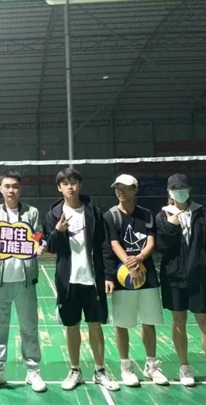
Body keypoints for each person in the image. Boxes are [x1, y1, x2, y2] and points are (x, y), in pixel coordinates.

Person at [44, 167, 119, 392]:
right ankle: (75, 370)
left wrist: (108, 275)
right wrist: (58, 231)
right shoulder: (53, 215)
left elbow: (104, 245)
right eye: (65, 183)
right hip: (68, 281)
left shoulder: (94, 212)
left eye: (73, 182)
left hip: (92, 279)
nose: (70, 187)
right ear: (59, 188)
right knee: (72, 326)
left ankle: (100, 370)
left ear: (80, 185)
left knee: (95, 325)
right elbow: (50, 247)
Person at [155, 174, 206, 388]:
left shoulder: (204, 214)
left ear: (189, 189)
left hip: (198, 277)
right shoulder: (162, 216)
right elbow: (161, 247)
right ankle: (185, 366)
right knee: (178, 320)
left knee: (205, 320)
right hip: (173, 277)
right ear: (169, 192)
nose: (179, 192)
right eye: (175, 188)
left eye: (182, 188)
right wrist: (171, 227)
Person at [0, 171, 46, 393]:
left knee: (29, 327)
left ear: (20, 189)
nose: (11, 190)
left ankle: (33, 370)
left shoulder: (32, 213)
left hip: (25, 281)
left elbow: (38, 237)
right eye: (7, 186)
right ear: (0, 188)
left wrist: (40, 245)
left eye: (15, 186)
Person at [103, 174, 168, 387]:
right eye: (117, 187)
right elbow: (113, 244)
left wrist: (139, 259)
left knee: (149, 322)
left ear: (135, 189)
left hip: (146, 275)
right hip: (123, 277)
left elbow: (151, 241)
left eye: (125, 187)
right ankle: (126, 367)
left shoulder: (147, 215)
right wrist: (129, 265)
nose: (120, 191)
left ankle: (151, 366)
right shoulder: (110, 216)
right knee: (121, 324)